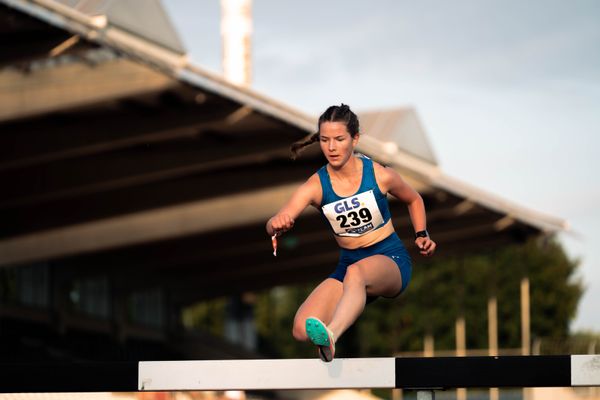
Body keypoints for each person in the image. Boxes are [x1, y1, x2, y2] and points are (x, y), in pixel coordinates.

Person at [265, 104, 436, 362]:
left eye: (339, 139)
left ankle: (332, 336)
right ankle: (330, 332)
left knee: (357, 274)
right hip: (348, 264)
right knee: (301, 328)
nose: (331, 148)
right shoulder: (316, 185)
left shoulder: (379, 175)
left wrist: (421, 233)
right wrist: (277, 223)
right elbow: (274, 221)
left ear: (355, 139)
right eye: (324, 140)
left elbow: (414, 199)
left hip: (389, 259)